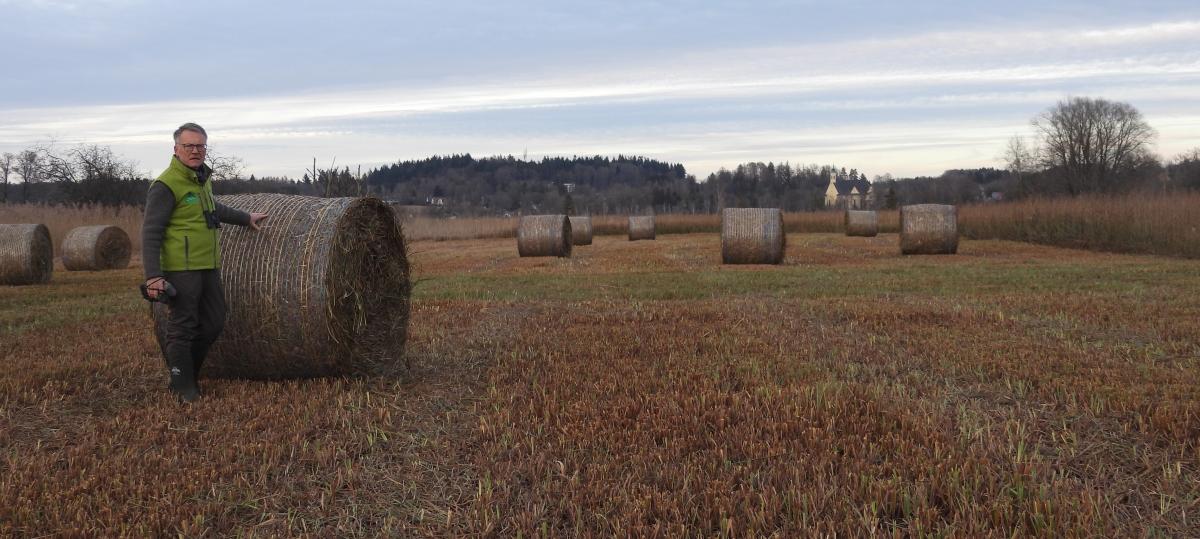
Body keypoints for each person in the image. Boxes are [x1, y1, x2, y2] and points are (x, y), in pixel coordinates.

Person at [142, 123, 268, 402]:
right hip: (180, 267)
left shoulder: (201, 179)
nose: (195, 151)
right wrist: (153, 276)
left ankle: (187, 375)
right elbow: (151, 232)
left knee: (213, 321)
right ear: (176, 149)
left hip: (207, 264)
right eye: (189, 146)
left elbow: (214, 208)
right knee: (183, 325)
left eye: (200, 146)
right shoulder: (165, 185)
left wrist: (245, 218)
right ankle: (183, 386)